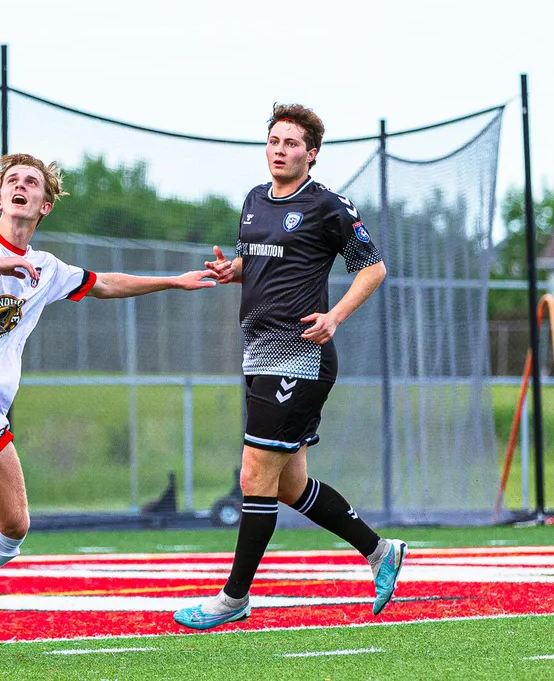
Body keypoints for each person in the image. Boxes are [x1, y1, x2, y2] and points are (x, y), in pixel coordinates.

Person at [0, 153, 219, 664]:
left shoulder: (47, 269)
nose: (22, 187)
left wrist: (172, 281)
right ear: (0, 198)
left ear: (44, 205)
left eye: (33, 184)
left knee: (16, 526)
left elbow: (105, 283)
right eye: (13, 182)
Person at [173, 104, 406, 631]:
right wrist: (231, 271)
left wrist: (336, 316)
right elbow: (258, 264)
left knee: (254, 474)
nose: (280, 150)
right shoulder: (255, 201)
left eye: (291, 143)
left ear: (311, 153)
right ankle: (380, 551)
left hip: (299, 352)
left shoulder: (328, 206)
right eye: (274, 141)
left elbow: (373, 268)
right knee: (287, 485)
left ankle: (233, 598)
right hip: (257, 350)